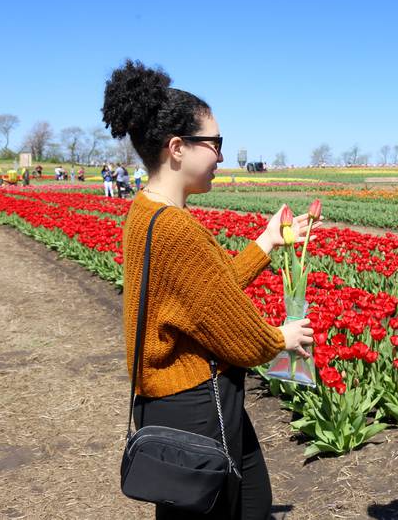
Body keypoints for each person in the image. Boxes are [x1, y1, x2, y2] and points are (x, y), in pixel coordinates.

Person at [102, 59, 317, 519]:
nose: (221, 155)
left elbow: (205, 294)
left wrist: (266, 241)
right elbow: (239, 334)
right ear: (177, 148)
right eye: (215, 143)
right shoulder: (176, 230)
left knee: (252, 501)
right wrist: (283, 338)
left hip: (173, 401)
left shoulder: (147, 212)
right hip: (197, 405)